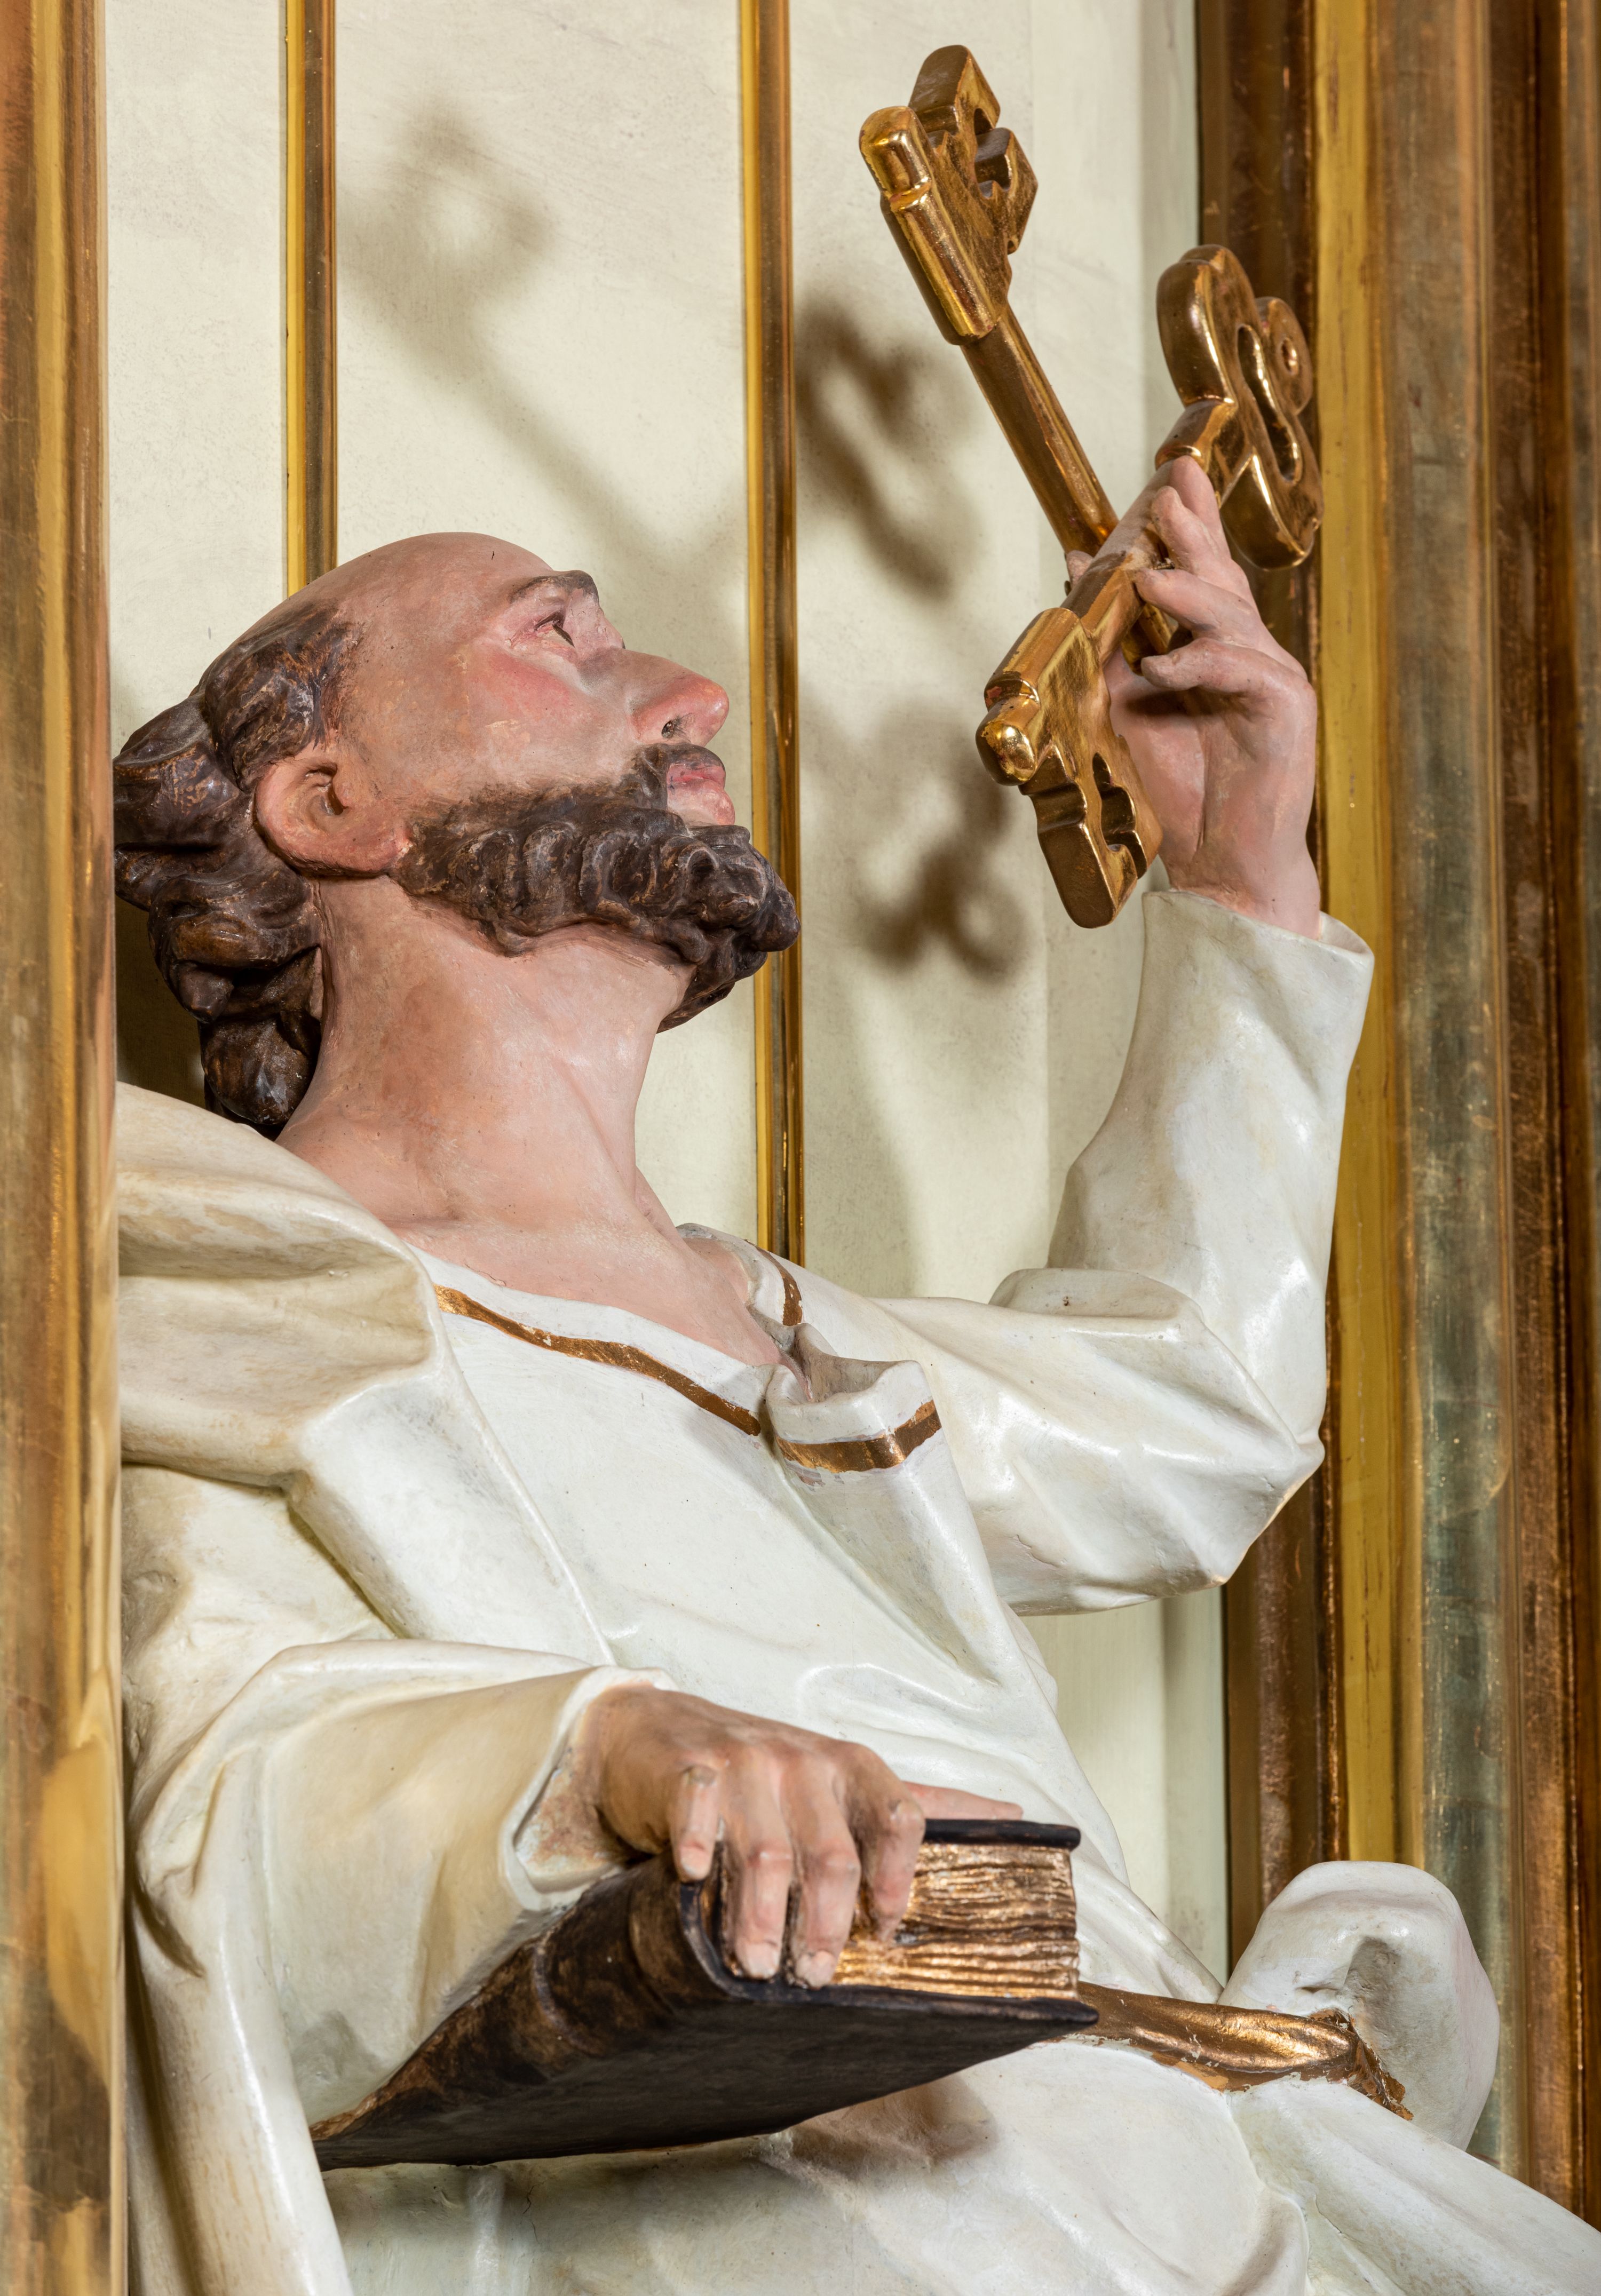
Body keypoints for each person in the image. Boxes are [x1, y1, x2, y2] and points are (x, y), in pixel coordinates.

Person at [113, 459, 1600, 2294]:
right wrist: (606, 1752)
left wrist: (1238, 882)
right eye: (559, 637)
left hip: (1167, 2183)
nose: (691, 696)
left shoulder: (800, 1337)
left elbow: (1193, 1407)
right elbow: (214, 1786)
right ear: (328, 800)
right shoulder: (245, 1288)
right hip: (784, 2202)